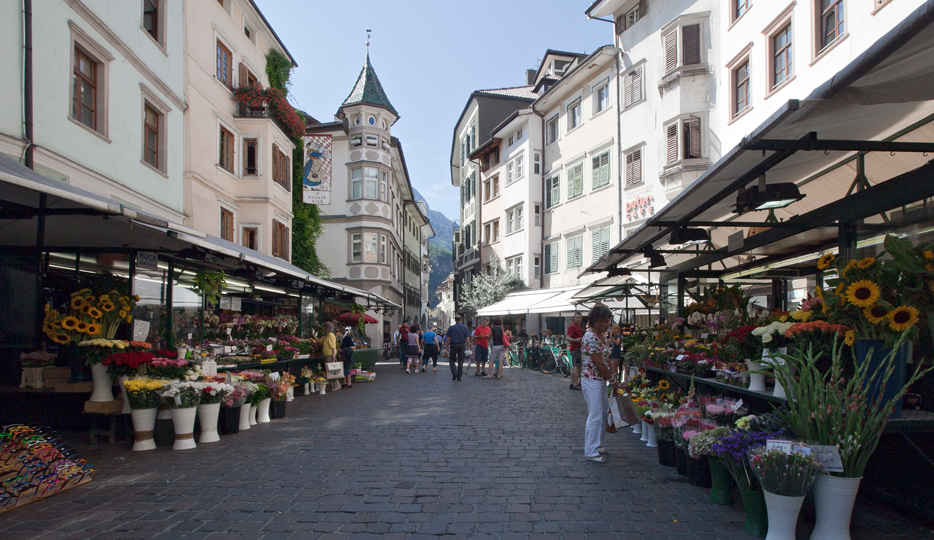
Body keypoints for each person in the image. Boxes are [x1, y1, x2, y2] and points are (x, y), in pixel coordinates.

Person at [580, 304, 617, 463]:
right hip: (592, 380)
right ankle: (591, 450)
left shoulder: (601, 335)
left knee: (602, 413)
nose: (608, 324)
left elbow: (606, 359)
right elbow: (598, 363)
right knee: (595, 415)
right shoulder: (590, 337)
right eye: (606, 321)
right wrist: (612, 379)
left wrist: (612, 376)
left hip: (599, 380)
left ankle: (597, 444)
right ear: (596, 321)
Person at [444, 315, 470, 381]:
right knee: (460, 361)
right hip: (462, 345)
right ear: (461, 320)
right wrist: (469, 346)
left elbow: (449, 338)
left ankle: (454, 373)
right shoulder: (464, 327)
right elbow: (467, 338)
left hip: (453, 345)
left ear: (455, 320)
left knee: (452, 360)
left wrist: (447, 345)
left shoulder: (451, 328)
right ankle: (459, 376)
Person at [567, 312, 584, 391]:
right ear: (574, 318)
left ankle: (573, 383)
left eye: (579, 318)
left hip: (577, 348)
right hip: (576, 348)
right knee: (576, 367)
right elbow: (567, 337)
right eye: (577, 317)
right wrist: (576, 340)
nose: (578, 319)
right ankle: (574, 383)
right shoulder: (572, 326)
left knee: (575, 366)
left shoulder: (578, 327)